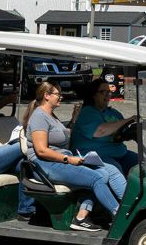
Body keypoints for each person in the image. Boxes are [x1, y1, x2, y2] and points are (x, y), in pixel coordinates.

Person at [23, 82, 128, 232]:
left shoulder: (51, 116)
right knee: (96, 178)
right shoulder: (39, 116)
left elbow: (64, 140)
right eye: (57, 94)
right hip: (45, 164)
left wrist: (73, 121)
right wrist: (68, 159)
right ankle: (120, 216)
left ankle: (80, 218)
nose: (61, 97)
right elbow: (42, 151)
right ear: (46, 96)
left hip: (59, 161)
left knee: (102, 173)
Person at [70, 79, 139, 173]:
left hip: (119, 153)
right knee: (116, 171)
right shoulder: (87, 113)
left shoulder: (114, 113)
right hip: (96, 156)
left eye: (109, 92)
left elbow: (122, 131)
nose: (108, 95)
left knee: (143, 165)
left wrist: (131, 133)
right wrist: (129, 119)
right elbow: (100, 131)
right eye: (103, 92)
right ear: (94, 95)